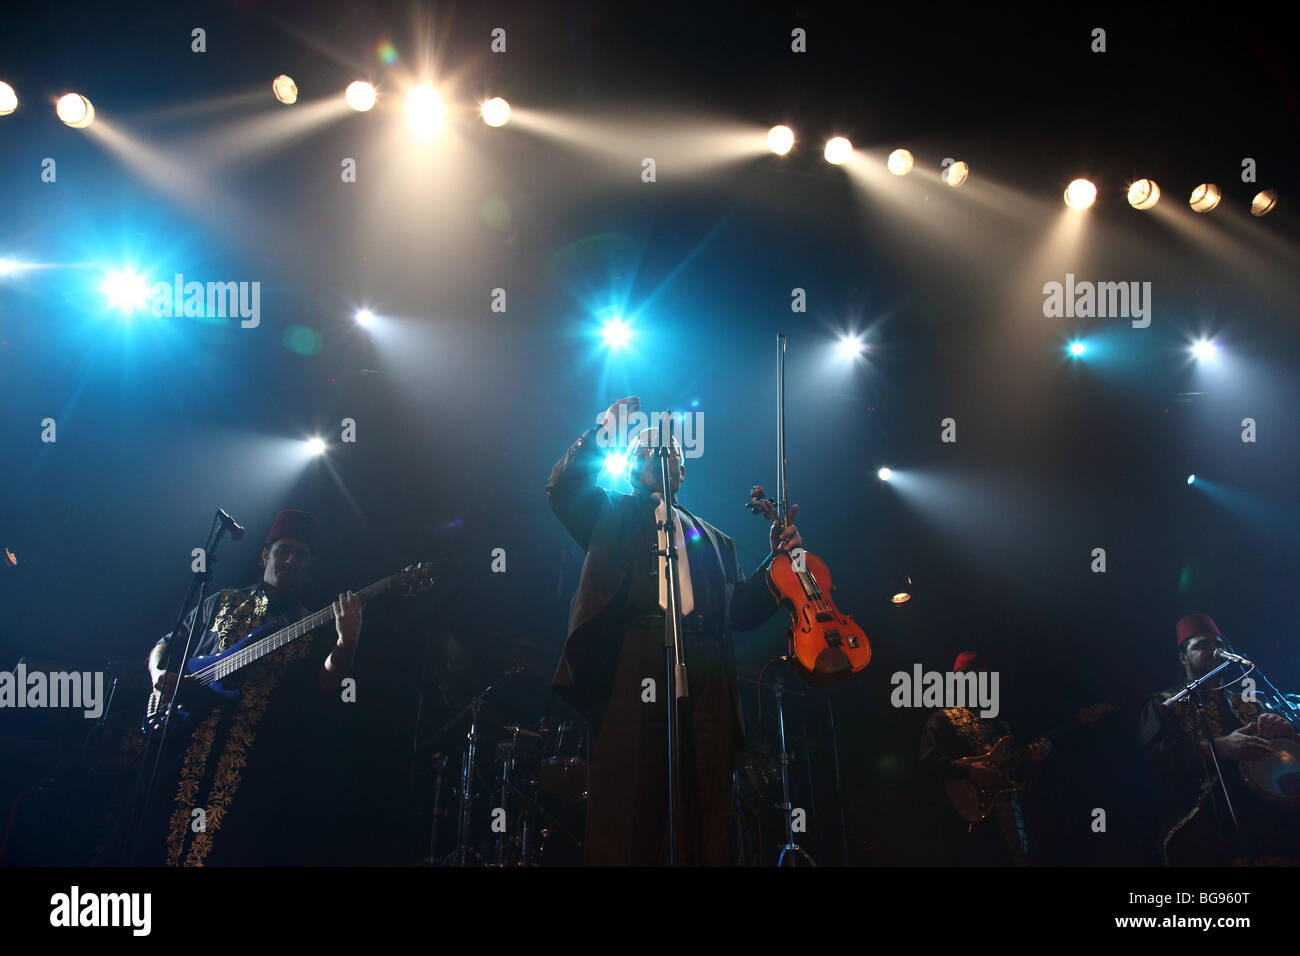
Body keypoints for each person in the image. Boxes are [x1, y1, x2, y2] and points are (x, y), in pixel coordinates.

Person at [547, 396, 800, 865]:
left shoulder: (716, 540)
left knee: (705, 802)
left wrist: (778, 565)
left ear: (683, 472)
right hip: (632, 660)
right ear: (628, 467)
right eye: (646, 451)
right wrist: (606, 430)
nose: (661, 456)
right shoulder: (612, 515)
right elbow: (565, 488)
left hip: (705, 668)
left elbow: (739, 612)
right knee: (628, 802)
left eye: (672, 453)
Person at [146, 509, 362, 866]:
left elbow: (327, 682)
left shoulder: (308, 624)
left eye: (301, 554)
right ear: (265, 554)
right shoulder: (221, 602)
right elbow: (166, 643)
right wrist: (156, 674)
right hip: (181, 744)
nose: (291, 559)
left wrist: (346, 642)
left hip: (250, 766)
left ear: (309, 564)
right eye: (284, 550)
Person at [1139, 612, 1300, 865]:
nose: (1214, 651)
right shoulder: (1164, 704)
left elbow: (1282, 756)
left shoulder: (1250, 702)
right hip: (1206, 827)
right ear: (1183, 657)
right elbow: (1158, 760)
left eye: (1219, 645)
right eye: (1202, 645)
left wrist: (1283, 733)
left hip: (1269, 824)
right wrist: (1222, 747)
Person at [917, 651, 1049, 866]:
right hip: (972, 834)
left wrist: (1035, 761)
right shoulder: (941, 721)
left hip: (1015, 826)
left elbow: (1021, 781)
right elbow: (928, 767)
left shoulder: (999, 724)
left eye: (982, 678)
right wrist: (968, 771)